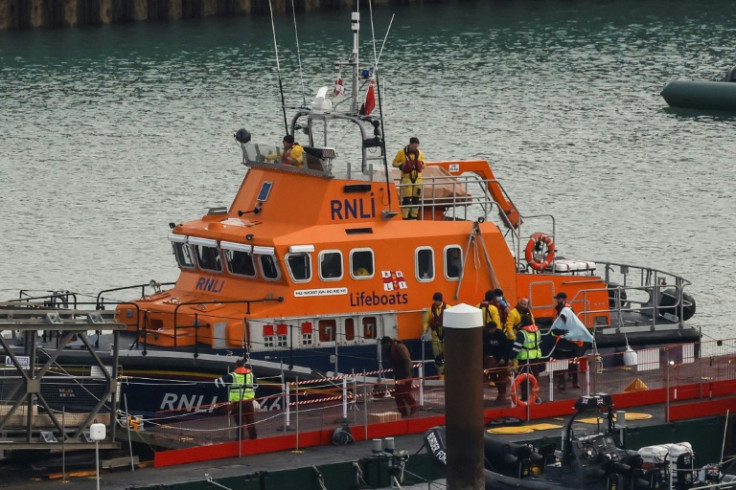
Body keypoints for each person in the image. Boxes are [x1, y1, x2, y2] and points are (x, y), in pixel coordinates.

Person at [551, 292, 586, 391]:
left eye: (559, 299)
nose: (557, 300)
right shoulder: (558, 309)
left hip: (567, 340)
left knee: (569, 362)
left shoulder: (567, 310)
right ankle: (566, 382)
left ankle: (571, 382)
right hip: (563, 339)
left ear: (564, 299)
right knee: (566, 362)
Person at [215, 358, 257, 440]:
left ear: (236, 365)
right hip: (248, 403)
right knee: (251, 422)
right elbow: (256, 386)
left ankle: (240, 441)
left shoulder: (232, 375)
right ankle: (254, 439)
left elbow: (218, 383)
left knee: (240, 423)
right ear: (244, 364)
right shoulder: (251, 375)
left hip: (236, 404)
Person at [381, 336, 418, 417]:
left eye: (384, 345)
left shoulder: (399, 347)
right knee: (398, 394)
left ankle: (413, 405)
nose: (383, 347)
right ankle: (403, 412)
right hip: (398, 375)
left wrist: (408, 375)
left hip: (406, 374)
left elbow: (407, 360)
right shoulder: (389, 351)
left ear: (388, 343)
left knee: (404, 391)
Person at [510, 316, 543, 402]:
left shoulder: (522, 333)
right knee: (535, 378)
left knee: (523, 379)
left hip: (525, 359)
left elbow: (517, 347)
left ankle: (524, 398)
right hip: (535, 357)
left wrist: (511, 357)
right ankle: (536, 397)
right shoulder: (537, 331)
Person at [392, 137, 425, 219]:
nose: (415, 148)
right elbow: (394, 163)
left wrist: (422, 164)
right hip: (407, 179)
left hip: (418, 179)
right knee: (406, 200)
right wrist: (402, 165)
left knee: (416, 200)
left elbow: (424, 163)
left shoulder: (420, 153)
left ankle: (414, 217)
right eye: (414, 146)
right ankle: (405, 217)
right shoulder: (401, 152)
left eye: (417, 146)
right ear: (410, 144)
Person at [482, 316, 510, 402]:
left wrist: (504, 358)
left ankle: (502, 394)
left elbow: (506, 348)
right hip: (492, 358)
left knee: (502, 378)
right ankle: (499, 390)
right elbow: (485, 347)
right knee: (493, 375)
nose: (489, 331)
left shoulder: (501, 335)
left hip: (501, 358)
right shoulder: (486, 334)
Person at [422, 292, 448, 376]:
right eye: (434, 300)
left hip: (446, 336)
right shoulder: (431, 310)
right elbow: (426, 322)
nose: (435, 302)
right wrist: (425, 332)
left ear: (441, 300)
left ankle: (449, 372)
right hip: (435, 337)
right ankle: (441, 374)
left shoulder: (447, 308)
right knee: (438, 357)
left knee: (447, 355)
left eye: (437, 300)